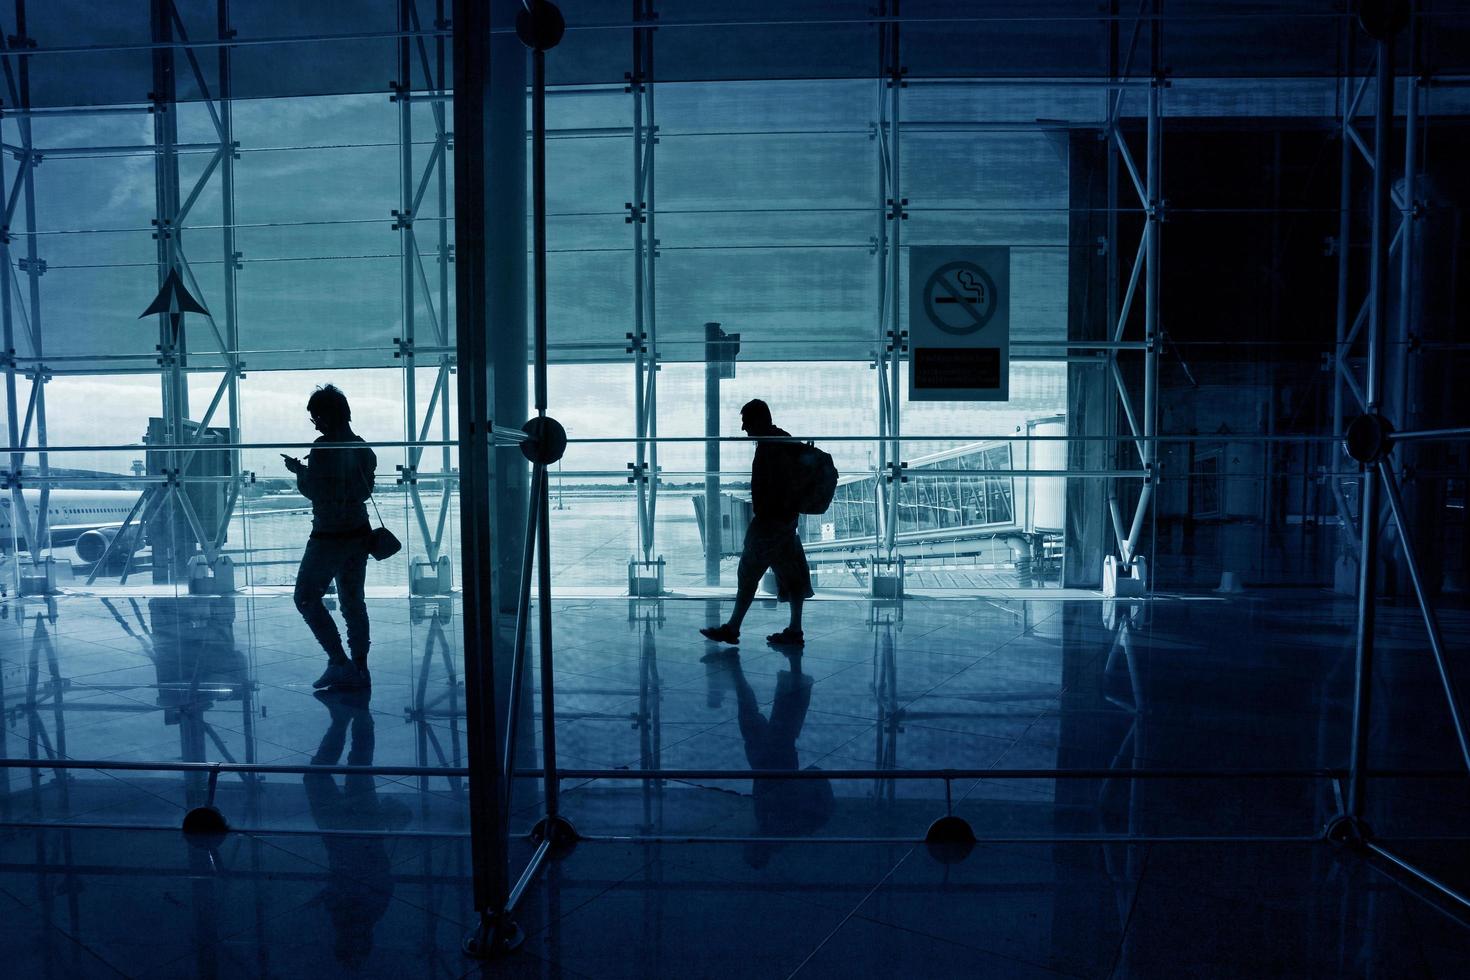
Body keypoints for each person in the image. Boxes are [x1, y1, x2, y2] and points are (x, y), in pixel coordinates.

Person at [284, 384, 377, 690]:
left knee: (307, 597)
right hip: (358, 532)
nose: (316, 424)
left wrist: (300, 472)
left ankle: (338, 661)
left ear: (325, 416)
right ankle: (360, 668)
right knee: (353, 602)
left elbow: (316, 492)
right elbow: (363, 491)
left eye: (316, 418)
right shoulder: (363, 448)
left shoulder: (323, 447)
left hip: (328, 535)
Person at [701, 398, 813, 648]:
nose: (743, 428)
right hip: (785, 522)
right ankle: (794, 630)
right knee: (793, 576)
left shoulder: (771, 446)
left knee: (748, 573)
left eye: (746, 421)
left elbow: (773, 488)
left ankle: (733, 628)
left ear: (759, 419)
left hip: (770, 523)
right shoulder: (782, 441)